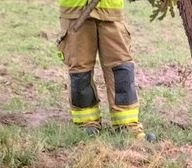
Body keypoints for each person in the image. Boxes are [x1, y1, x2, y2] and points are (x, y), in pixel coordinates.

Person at [58, 0, 145, 138]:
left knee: (121, 69)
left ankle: (127, 126)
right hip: (76, 11)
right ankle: (86, 124)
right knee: (80, 72)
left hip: (111, 11)